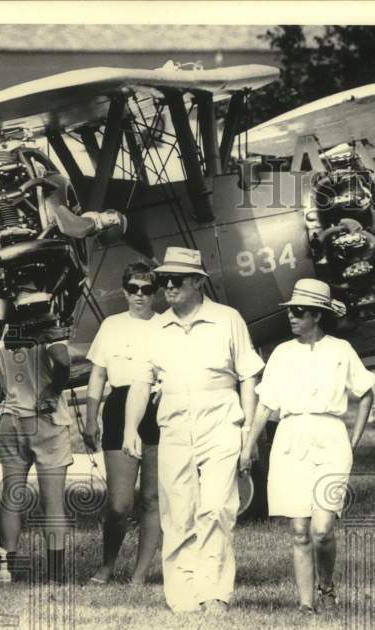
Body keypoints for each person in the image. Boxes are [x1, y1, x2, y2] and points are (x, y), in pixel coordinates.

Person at [124, 247, 263, 614]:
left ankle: (214, 591)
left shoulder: (227, 319)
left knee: (217, 506)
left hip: (220, 420)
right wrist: (130, 429)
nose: (167, 286)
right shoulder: (156, 329)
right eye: (163, 279)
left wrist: (248, 429)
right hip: (174, 422)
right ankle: (184, 595)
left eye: (177, 279)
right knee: (178, 511)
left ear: (198, 282)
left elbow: (249, 375)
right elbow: (141, 383)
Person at [239, 279, 374, 614]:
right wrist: (247, 447)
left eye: (299, 312)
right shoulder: (282, 354)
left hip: (330, 439)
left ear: (317, 315)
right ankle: (305, 603)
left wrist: (354, 439)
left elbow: (366, 391)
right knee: (300, 530)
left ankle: (327, 587)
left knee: (322, 529)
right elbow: (266, 405)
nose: (292, 317)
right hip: (290, 439)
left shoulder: (341, 350)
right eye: (291, 312)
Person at [0, 330, 72, 584]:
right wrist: (52, 390)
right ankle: (56, 575)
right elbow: (63, 361)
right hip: (47, 418)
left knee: (11, 497)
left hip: (10, 418)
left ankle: (6, 569)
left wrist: (6, 391)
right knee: (53, 503)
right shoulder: (47, 326)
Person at [83, 262, 162, 585]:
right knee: (119, 504)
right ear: (124, 291)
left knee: (152, 499)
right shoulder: (111, 326)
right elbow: (98, 375)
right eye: (133, 289)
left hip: (158, 409)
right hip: (118, 407)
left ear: (155, 292)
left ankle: (140, 574)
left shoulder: (165, 326)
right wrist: (90, 419)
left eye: (146, 289)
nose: (139, 295)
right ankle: (107, 565)